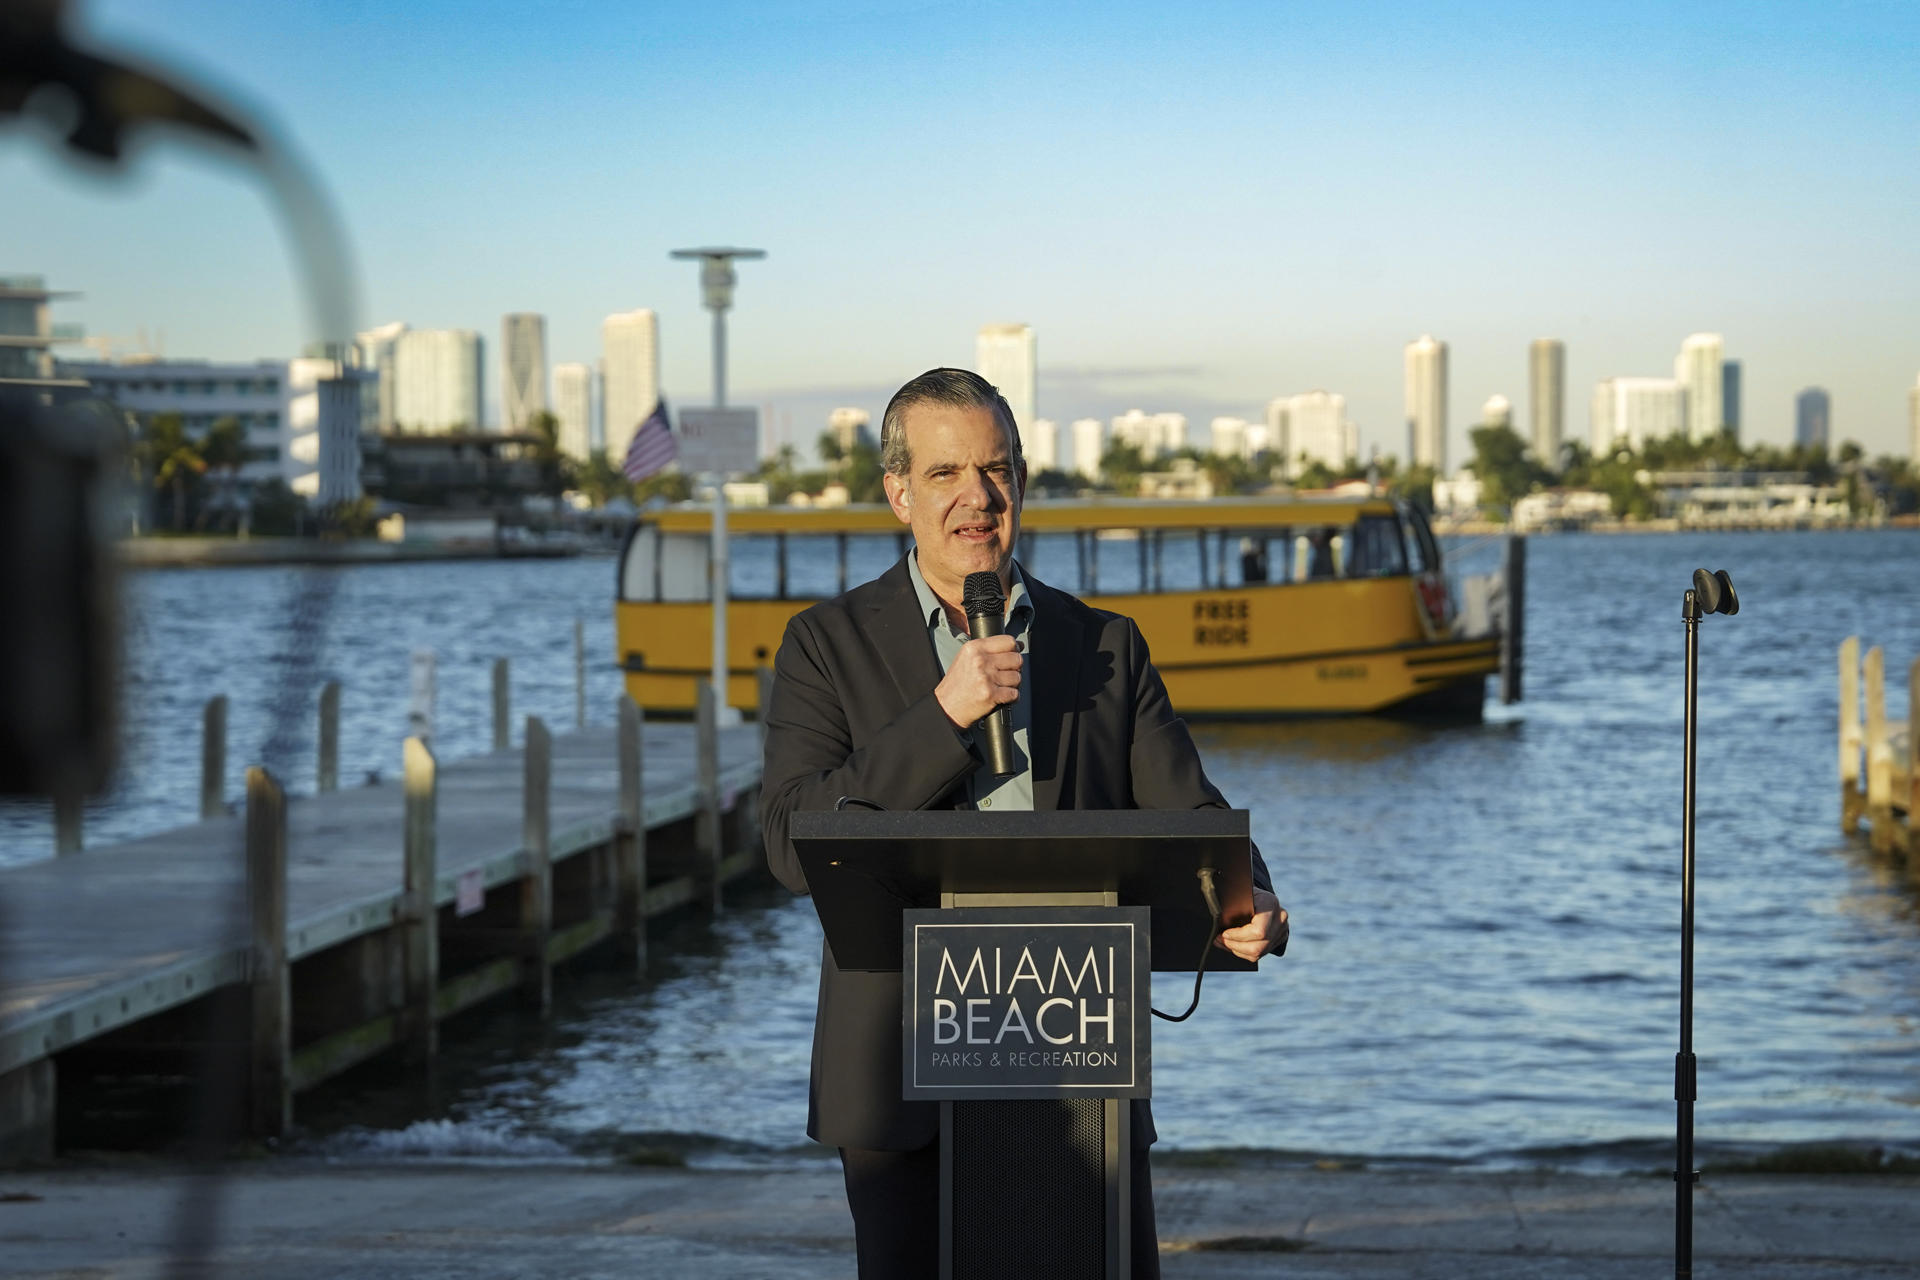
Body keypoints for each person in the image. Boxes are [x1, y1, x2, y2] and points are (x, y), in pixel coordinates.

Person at [760, 368, 1289, 1278]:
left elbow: (1188, 812)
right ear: (898, 492)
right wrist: (945, 715)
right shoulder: (824, 644)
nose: (977, 498)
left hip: (1080, 1051)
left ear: (1022, 482)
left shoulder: (1105, 645)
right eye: (945, 474)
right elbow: (788, 840)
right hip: (901, 1072)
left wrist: (1252, 899)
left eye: (997, 470)